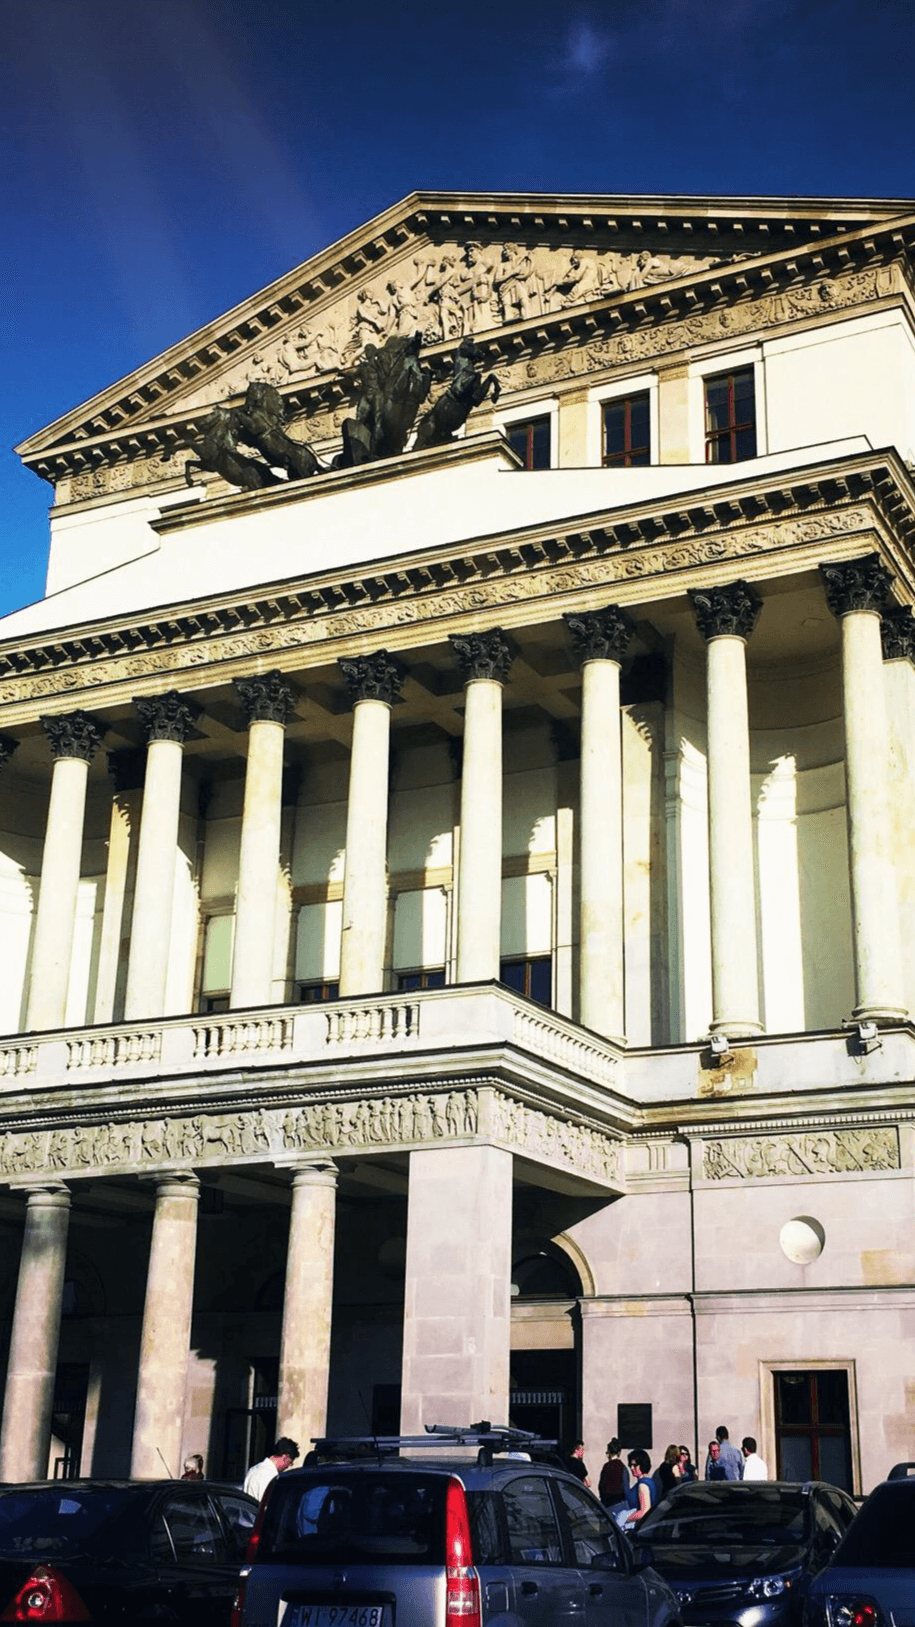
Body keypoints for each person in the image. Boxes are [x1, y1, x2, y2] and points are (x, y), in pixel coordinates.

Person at [243, 1436, 300, 1501]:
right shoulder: (270, 1476)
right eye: (290, 1462)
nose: (288, 1466)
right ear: (285, 1457)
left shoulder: (253, 1469)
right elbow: (267, 1505)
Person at [623, 1449, 659, 1526]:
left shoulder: (642, 1484)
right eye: (630, 1465)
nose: (632, 1468)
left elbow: (644, 1511)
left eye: (635, 1465)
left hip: (641, 1526)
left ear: (642, 1464)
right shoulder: (650, 1481)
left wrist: (625, 1519)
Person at [598, 1439, 629, 1509]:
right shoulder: (623, 1467)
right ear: (619, 1452)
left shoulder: (606, 1466)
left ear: (609, 1452)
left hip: (607, 1501)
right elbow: (626, 1487)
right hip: (619, 1501)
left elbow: (601, 1485)